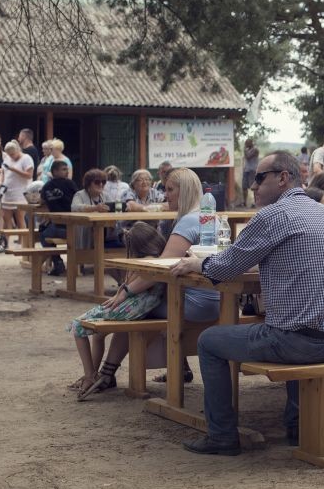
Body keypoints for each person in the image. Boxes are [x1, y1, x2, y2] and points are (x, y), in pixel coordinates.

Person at [170, 151, 324, 455]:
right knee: (298, 325)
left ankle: (221, 436)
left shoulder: (272, 216)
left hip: (299, 343)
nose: (253, 185)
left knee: (209, 341)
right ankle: (297, 426)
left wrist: (196, 263)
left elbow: (224, 267)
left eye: (259, 178)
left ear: (283, 178)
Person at [75, 168, 221, 397]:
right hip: (217, 301)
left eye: (170, 190)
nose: (165, 195)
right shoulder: (211, 217)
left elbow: (160, 269)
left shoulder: (188, 221)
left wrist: (125, 291)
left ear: (184, 191)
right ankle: (109, 372)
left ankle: (105, 374)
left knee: (133, 309)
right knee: (140, 304)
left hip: (193, 304)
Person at [67, 222, 167, 399]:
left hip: (130, 308)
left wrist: (125, 283)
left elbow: (127, 285)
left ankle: (90, 376)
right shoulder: (160, 258)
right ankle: (94, 375)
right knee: (97, 334)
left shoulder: (145, 262)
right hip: (137, 308)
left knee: (77, 326)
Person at [39, 160, 78, 276]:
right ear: (55, 171)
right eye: (64, 169)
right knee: (46, 231)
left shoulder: (46, 186)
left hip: (59, 227)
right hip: (74, 227)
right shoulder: (70, 184)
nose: (67, 172)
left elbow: (41, 201)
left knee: (43, 234)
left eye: (67, 169)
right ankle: (58, 262)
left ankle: (57, 261)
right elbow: (78, 198)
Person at [0, 140, 34, 233]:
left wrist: (14, 169)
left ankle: (22, 239)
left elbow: (29, 175)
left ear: (18, 150)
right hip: (7, 192)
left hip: (20, 193)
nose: (11, 156)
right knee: (6, 218)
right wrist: (0, 181)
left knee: (19, 218)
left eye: (13, 154)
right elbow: (3, 171)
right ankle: (7, 239)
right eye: (9, 154)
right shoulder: (7, 158)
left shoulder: (26, 158)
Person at [240, 138, 259, 208]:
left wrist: (244, 150)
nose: (245, 144)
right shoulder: (247, 150)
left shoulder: (255, 150)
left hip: (252, 170)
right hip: (246, 170)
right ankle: (244, 202)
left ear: (251, 143)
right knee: (244, 187)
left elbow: (248, 157)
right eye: (245, 143)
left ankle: (256, 203)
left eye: (247, 143)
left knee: (253, 187)